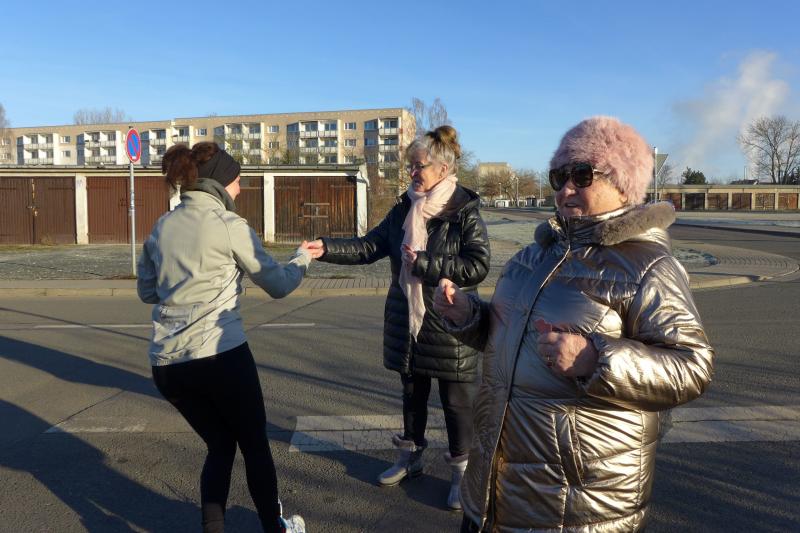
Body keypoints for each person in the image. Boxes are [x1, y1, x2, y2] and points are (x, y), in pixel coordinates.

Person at [434, 116, 715, 532]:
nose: (565, 189)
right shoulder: (534, 256)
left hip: (578, 501)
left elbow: (692, 366)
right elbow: (510, 339)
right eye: (558, 176)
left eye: (582, 175)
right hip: (494, 488)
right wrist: (469, 316)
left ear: (623, 184)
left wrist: (595, 359)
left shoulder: (649, 266)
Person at [137, 142, 320, 533]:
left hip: (168, 366)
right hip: (220, 356)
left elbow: (147, 292)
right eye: (238, 181)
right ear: (221, 182)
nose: (240, 189)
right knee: (254, 445)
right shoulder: (228, 224)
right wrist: (302, 258)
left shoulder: (162, 226)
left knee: (220, 445)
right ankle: (275, 528)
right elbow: (278, 284)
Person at [306, 125, 490, 510]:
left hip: (450, 323)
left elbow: (477, 266)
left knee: (456, 403)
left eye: (418, 166)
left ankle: (463, 474)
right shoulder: (404, 208)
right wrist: (326, 248)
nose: (412, 173)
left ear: (442, 168)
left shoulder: (464, 211)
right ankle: (410, 458)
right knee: (412, 395)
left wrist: (424, 263)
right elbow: (368, 246)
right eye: (410, 166)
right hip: (409, 321)